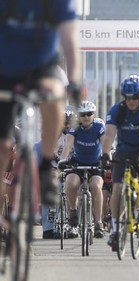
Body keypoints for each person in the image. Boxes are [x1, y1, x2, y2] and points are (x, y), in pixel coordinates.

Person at [0, 1, 82, 206]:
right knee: (3, 145)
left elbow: (70, 40)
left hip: (43, 68)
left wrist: (75, 81)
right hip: (7, 70)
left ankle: (46, 165)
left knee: (55, 94)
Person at [101, 75, 139, 250]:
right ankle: (114, 229)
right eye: (128, 98)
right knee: (117, 189)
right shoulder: (117, 110)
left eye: (135, 97)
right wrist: (105, 153)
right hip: (124, 150)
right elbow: (109, 135)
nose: (131, 101)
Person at [59, 101, 106, 239]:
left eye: (89, 114)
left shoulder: (99, 126)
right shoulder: (74, 127)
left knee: (96, 186)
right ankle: (73, 216)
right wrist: (63, 160)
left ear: (94, 114)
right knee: (71, 183)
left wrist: (107, 157)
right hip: (77, 163)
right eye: (82, 114)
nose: (86, 117)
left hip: (95, 164)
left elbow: (105, 143)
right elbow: (68, 145)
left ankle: (98, 223)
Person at [39, 109, 76, 239]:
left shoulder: (76, 134)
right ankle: (48, 228)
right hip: (55, 167)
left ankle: (71, 225)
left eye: (69, 123)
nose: (67, 126)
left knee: (73, 188)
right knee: (50, 191)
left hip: (72, 168)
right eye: (64, 123)